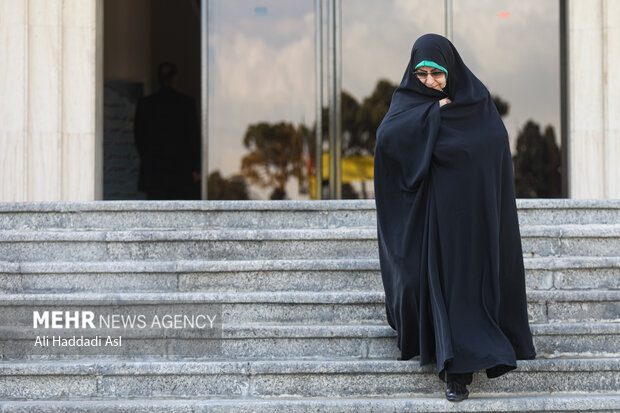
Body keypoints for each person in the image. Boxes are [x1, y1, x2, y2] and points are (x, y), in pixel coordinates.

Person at [373, 33, 536, 402]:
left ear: (452, 70)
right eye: (422, 73)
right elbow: (387, 141)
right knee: (424, 286)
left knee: (463, 294)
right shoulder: (409, 103)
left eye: (437, 73)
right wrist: (433, 114)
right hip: (428, 223)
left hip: (469, 224)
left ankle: (458, 374)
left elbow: (493, 145)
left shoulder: (476, 103)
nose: (429, 81)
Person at [134, 62, 201, 200]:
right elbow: (193, 138)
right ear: (175, 79)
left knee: (155, 217)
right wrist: (195, 168)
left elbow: (139, 138)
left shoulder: (146, 105)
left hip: (154, 174)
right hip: (181, 173)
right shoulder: (186, 103)